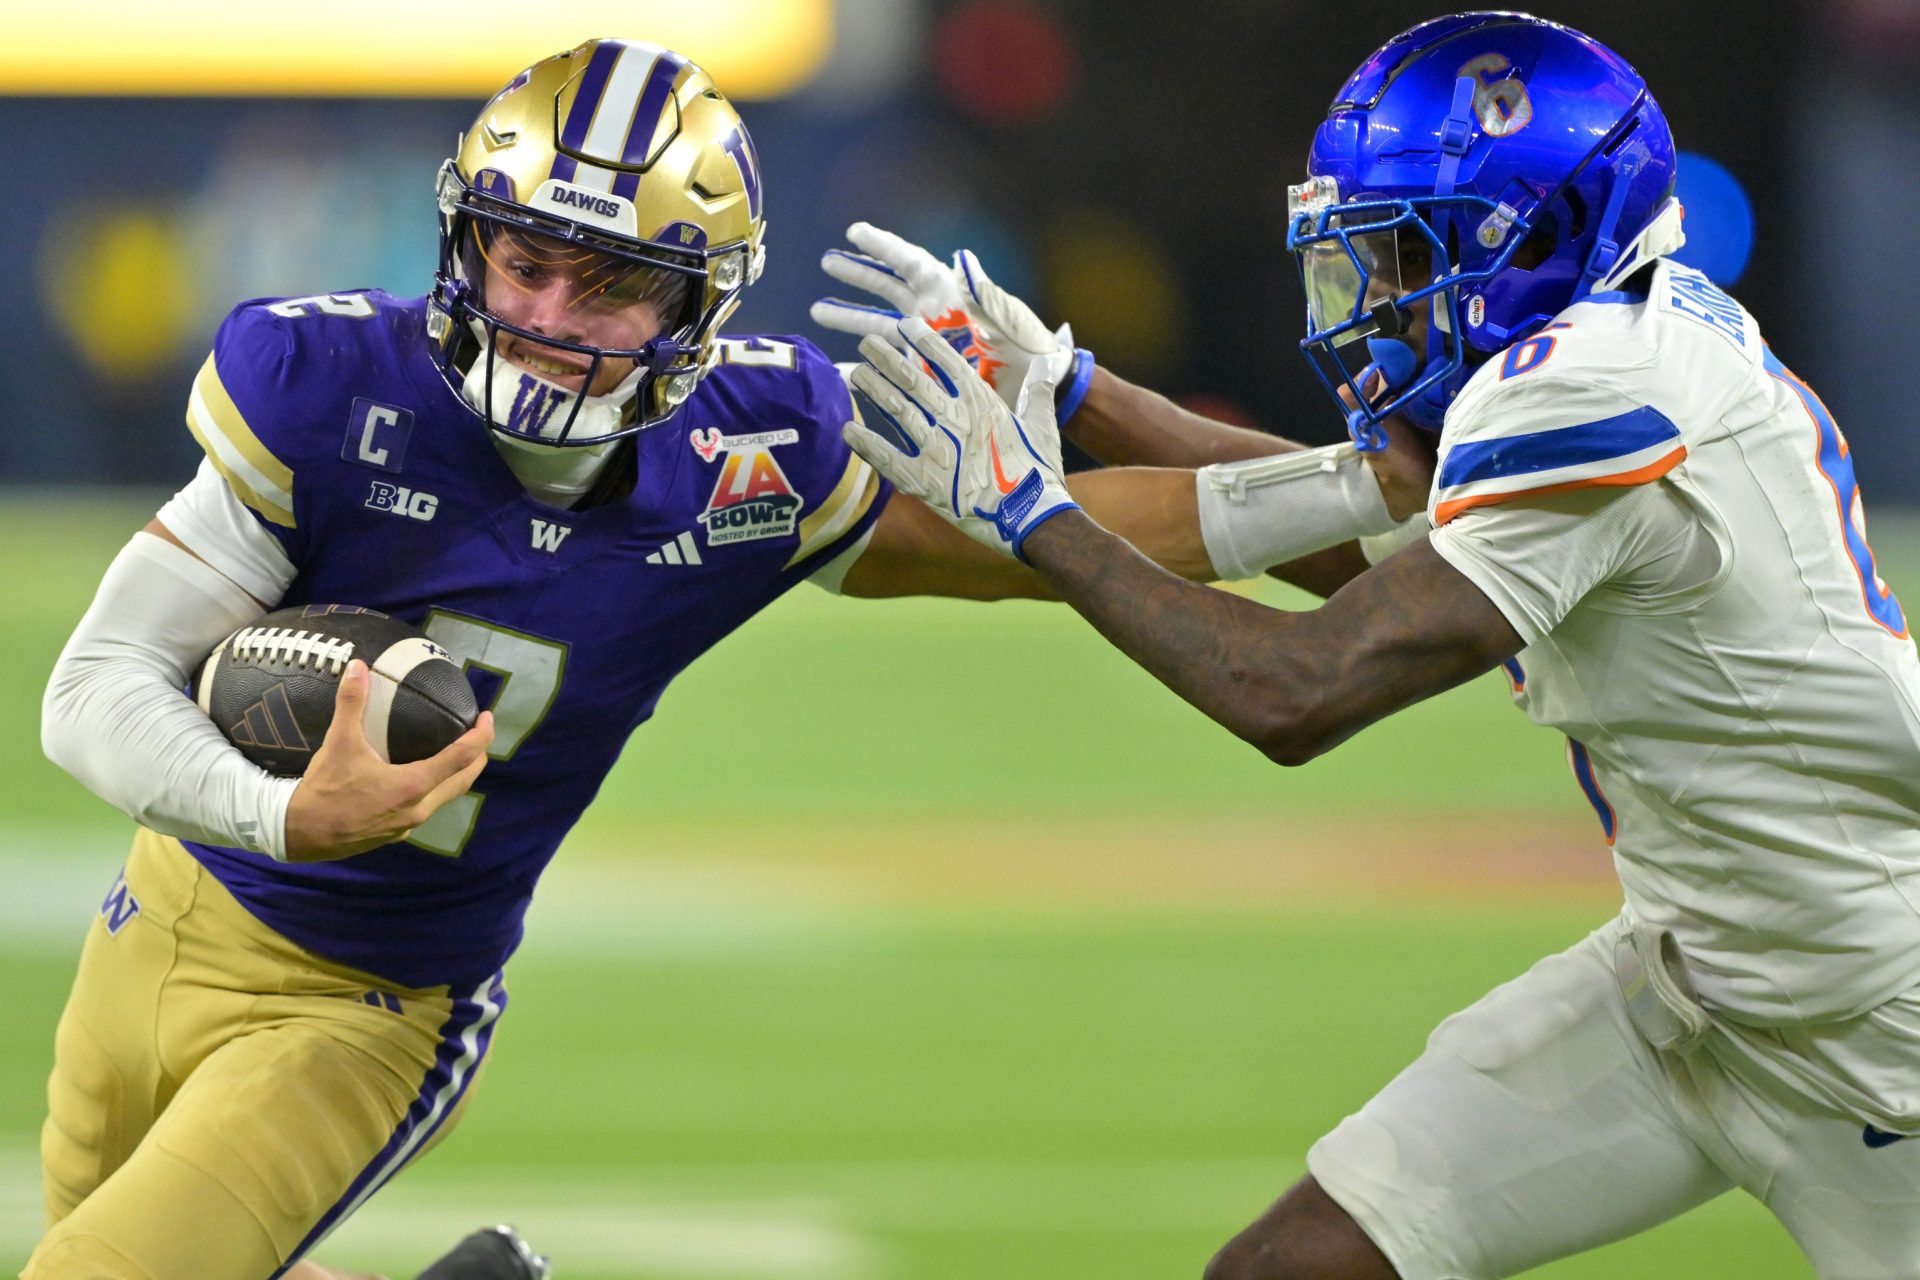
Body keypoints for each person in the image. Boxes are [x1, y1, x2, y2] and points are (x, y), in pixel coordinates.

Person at [25, 37, 1295, 1280]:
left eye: (610, 283)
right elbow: (94, 686)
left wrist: (1355, 494)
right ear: (470, 240)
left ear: (700, 303)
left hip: (366, 1008)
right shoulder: (327, 381)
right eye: (523, 261)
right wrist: (285, 809)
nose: (545, 317)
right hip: (162, 911)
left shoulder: (755, 455)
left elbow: (1063, 540)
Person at [830, 11, 1920, 1278]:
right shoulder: (1616, 330)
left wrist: (1031, 511)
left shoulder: (1598, 390)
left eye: (1406, 254)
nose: (1376, 296)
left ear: (1536, 235)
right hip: (1690, 982)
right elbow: (1366, 535)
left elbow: (1296, 690)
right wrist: (1078, 390)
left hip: (1872, 1022)